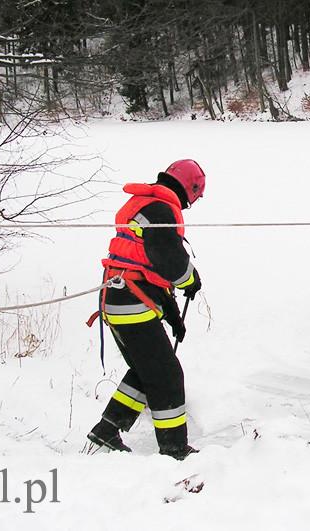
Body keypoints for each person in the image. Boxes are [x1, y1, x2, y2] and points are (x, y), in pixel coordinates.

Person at [86, 159, 205, 459]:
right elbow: (168, 258)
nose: (195, 201)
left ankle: (106, 432)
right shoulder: (160, 210)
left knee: (145, 370)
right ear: (189, 188)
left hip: (118, 298)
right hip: (130, 301)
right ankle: (174, 448)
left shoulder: (147, 204)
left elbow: (145, 264)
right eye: (197, 194)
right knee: (167, 376)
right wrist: (190, 279)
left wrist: (171, 313)